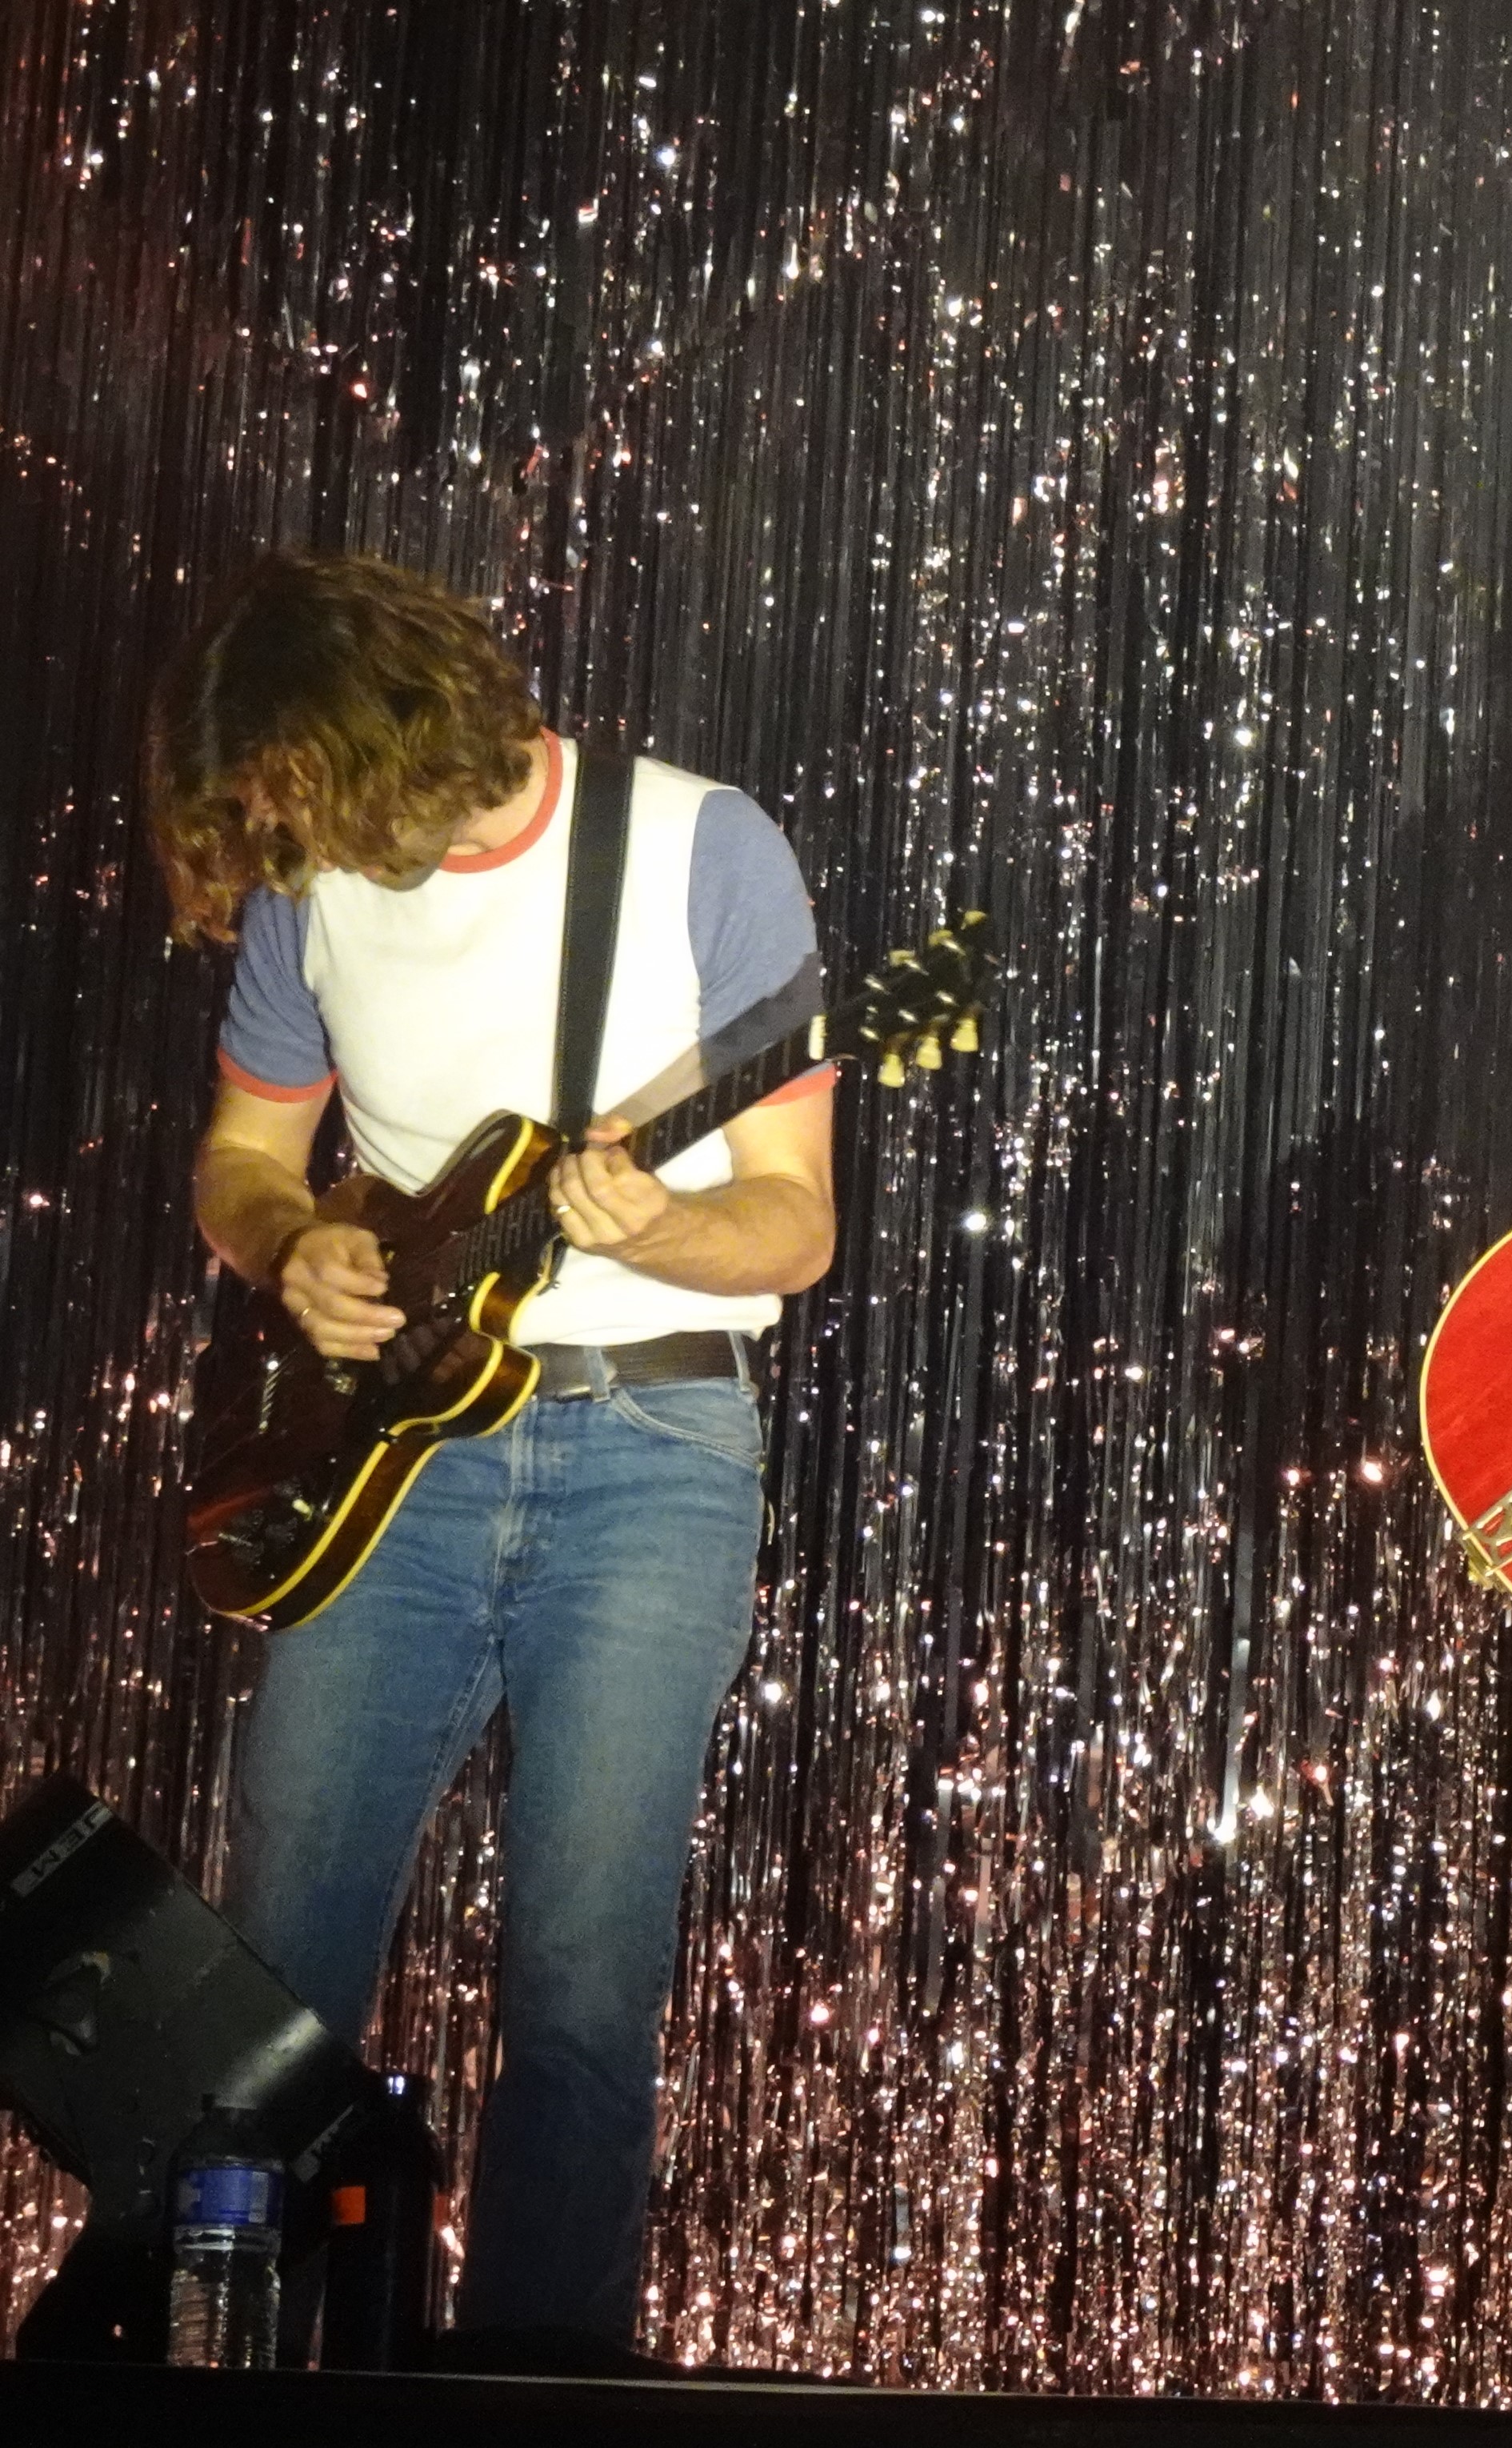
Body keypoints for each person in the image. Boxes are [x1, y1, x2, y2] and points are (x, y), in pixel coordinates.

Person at [150, 551, 834, 2355]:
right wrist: (289, 1244)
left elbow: (791, 1225)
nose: (284, 838)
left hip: (653, 1437)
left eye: (303, 791)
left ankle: (541, 2377)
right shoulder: (310, 889)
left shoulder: (700, 848)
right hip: (389, 1462)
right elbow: (243, 1157)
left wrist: (664, 1227)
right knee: (273, 1965)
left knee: (584, 1990)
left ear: (390, 724)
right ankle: (232, 2368)